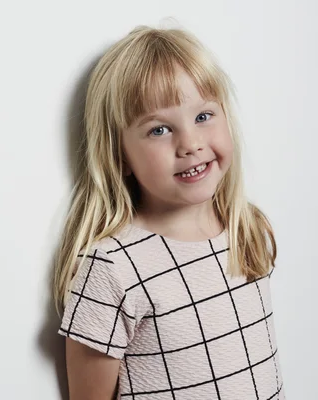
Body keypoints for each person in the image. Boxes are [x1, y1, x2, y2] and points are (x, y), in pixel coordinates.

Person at [52, 24, 285, 400]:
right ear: (119, 156)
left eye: (203, 116)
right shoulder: (112, 268)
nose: (190, 144)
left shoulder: (245, 227)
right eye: (159, 130)